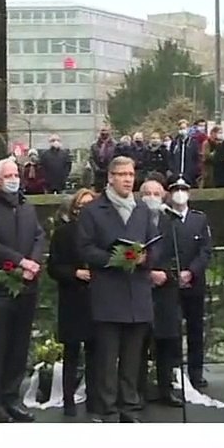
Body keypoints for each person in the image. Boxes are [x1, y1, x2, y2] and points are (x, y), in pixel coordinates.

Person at [76, 156, 160, 423]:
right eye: (122, 174)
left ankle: (129, 408)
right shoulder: (93, 211)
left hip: (138, 294)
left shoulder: (143, 210)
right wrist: (114, 259)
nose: (127, 179)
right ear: (110, 177)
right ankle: (107, 409)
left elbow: (156, 245)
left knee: (132, 359)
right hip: (108, 294)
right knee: (107, 358)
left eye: (131, 173)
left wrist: (148, 258)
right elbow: (85, 248)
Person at [0, 158, 48, 423]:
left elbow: (39, 235)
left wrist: (34, 262)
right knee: (2, 344)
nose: (15, 179)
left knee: (20, 344)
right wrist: (19, 261)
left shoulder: (26, 207)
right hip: (1, 286)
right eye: (9, 175)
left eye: (16, 174)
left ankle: (13, 396)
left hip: (27, 284)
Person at [46, 188, 97, 416]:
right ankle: (68, 400)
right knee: (72, 352)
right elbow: (54, 267)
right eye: (81, 206)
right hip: (73, 299)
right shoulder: (63, 233)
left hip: (98, 300)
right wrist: (75, 273)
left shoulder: (101, 233)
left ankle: (95, 399)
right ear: (75, 209)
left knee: (96, 353)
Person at [138, 177, 183, 408]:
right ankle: (139, 391)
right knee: (139, 345)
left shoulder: (172, 221)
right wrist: (148, 274)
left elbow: (179, 254)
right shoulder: (134, 219)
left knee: (166, 344)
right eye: (148, 193)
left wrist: (166, 274)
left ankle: (166, 388)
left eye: (157, 193)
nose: (152, 198)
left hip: (166, 290)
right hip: (140, 289)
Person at [165, 177, 213, 389]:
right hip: (171, 282)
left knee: (195, 329)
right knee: (171, 329)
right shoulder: (165, 219)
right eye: (175, 189)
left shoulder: (199, 219)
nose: (179, 193)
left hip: (194, 281)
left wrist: (191, 272)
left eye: (183, 189)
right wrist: (175, 273)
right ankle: (175, 372)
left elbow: (205, 250)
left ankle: (196, 372)